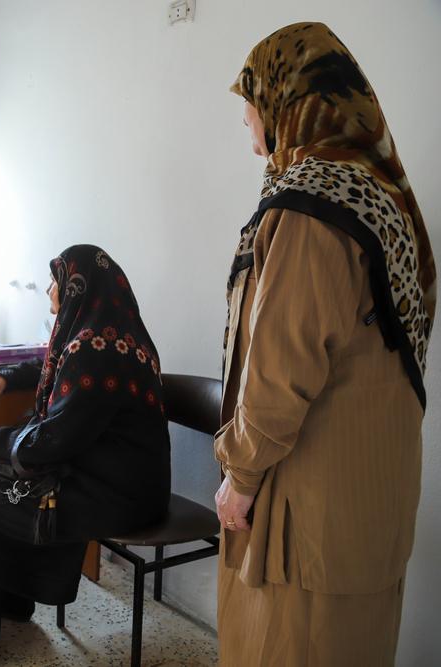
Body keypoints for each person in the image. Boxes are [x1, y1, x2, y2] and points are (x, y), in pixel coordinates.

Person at [214, 22, 435, 666]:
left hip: (307, 514)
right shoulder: (381, 195)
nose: (251, 134)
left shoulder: (312, 207)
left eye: (250, 109)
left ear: (290, 100)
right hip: (368, 502)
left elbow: (281, 366)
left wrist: (241, 476)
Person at [0, 244, 171, 666]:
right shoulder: (116, 333)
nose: (49, 288)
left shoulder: (94, 350)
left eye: (55, 280)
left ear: (77, 287)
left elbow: (56, 440)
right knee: (3, 485)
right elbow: (53, 369)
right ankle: (14, 601)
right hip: (130, 483)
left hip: (116, 496)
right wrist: (5, 378)